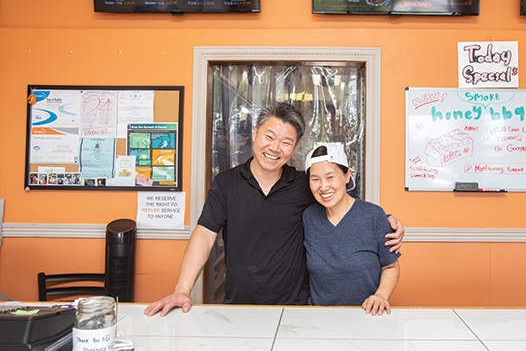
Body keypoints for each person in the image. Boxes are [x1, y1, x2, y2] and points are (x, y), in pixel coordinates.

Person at [145, 102, 404, 317]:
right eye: (270, 136)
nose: (275, 148)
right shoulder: (226, 183)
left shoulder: (304, 185)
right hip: (239, 306)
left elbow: (340, 201)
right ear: (256, 132)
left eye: (286, 142)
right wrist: (182, 289)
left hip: (296, 309)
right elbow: (204, 234)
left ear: (294, 149)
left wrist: (386, 220)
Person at [303, 144, 400, 316]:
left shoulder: (374, 216)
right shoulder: (308, 217)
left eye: (330, 177)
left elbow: (391, 267)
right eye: (315, 179)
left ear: (347, 175)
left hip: (365, 316)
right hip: (317, 318)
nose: (324, 187)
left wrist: (380, 296)